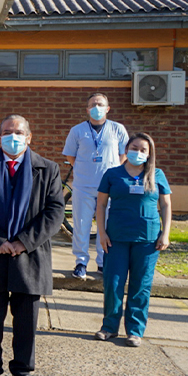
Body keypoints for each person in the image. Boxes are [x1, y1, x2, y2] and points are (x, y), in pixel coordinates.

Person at [0, 115, 64, 376]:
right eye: (7, 132)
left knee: (26, 320)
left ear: (29, 137)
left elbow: (54, 212)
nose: (13, 136)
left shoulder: (48, 169)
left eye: (18, 132)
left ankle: (22, 372)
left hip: (30, 255)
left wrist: (23, 241)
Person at [94, 133, 171, 348]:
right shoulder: (112, 174)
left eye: (143, 149)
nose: (138, 152)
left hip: (147, 240)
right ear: (126, 149)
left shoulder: (157, 175)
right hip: (116, 238)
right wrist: (102, 233)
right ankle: (109, 327)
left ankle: (135, 331)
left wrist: (165, 234)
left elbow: (165, 205)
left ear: (149, 154)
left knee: (141, 286)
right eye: (134, 147)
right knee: (113, 283)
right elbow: (100, 205)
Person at [63, 92, 128, 278]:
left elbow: (123, 153)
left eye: (100, 104)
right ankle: (81, 262)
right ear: (87, 109)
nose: (96, 107)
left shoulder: (117, 129)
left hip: (109, 187)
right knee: (81, 224)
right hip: (83, 185)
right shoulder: (77, 130)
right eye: (93, 104)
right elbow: (70, 155)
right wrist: (83, 169)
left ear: (107, 108)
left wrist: (115, 170)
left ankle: (102, 262)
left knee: (106, 226)